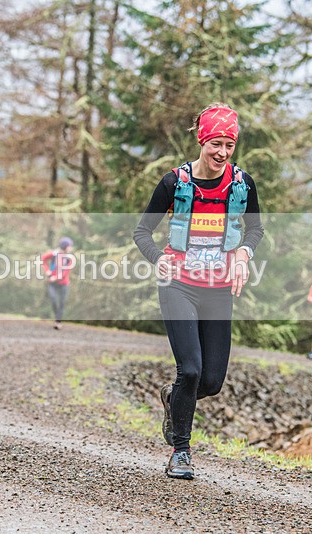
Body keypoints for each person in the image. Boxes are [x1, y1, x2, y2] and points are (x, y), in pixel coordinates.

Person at [133, 103, 264, 480]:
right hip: (178, 284)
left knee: (211, 382)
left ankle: (173, 399)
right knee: (189, 370)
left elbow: (256, 229)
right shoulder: (174, 184)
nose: (222, 152)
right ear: (201, 140)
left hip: (218, 288)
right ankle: (181, 451)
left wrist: (243, 251)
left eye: (229, 144)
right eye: (215, 143)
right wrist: (158, 258)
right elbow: (142, 232)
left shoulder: (242, 184)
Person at [41, 237, 75, 329]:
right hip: (52, 283)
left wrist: (55, 278)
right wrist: (47, 271)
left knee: (62, 303)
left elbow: (66, 272)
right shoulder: (54, 254)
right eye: (70, 246)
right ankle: (57, 318)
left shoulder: (70, 258)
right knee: (53, 300)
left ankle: (58, 322)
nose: (71, 248)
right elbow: (43, 259)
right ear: (64, 246)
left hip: (64, 283)